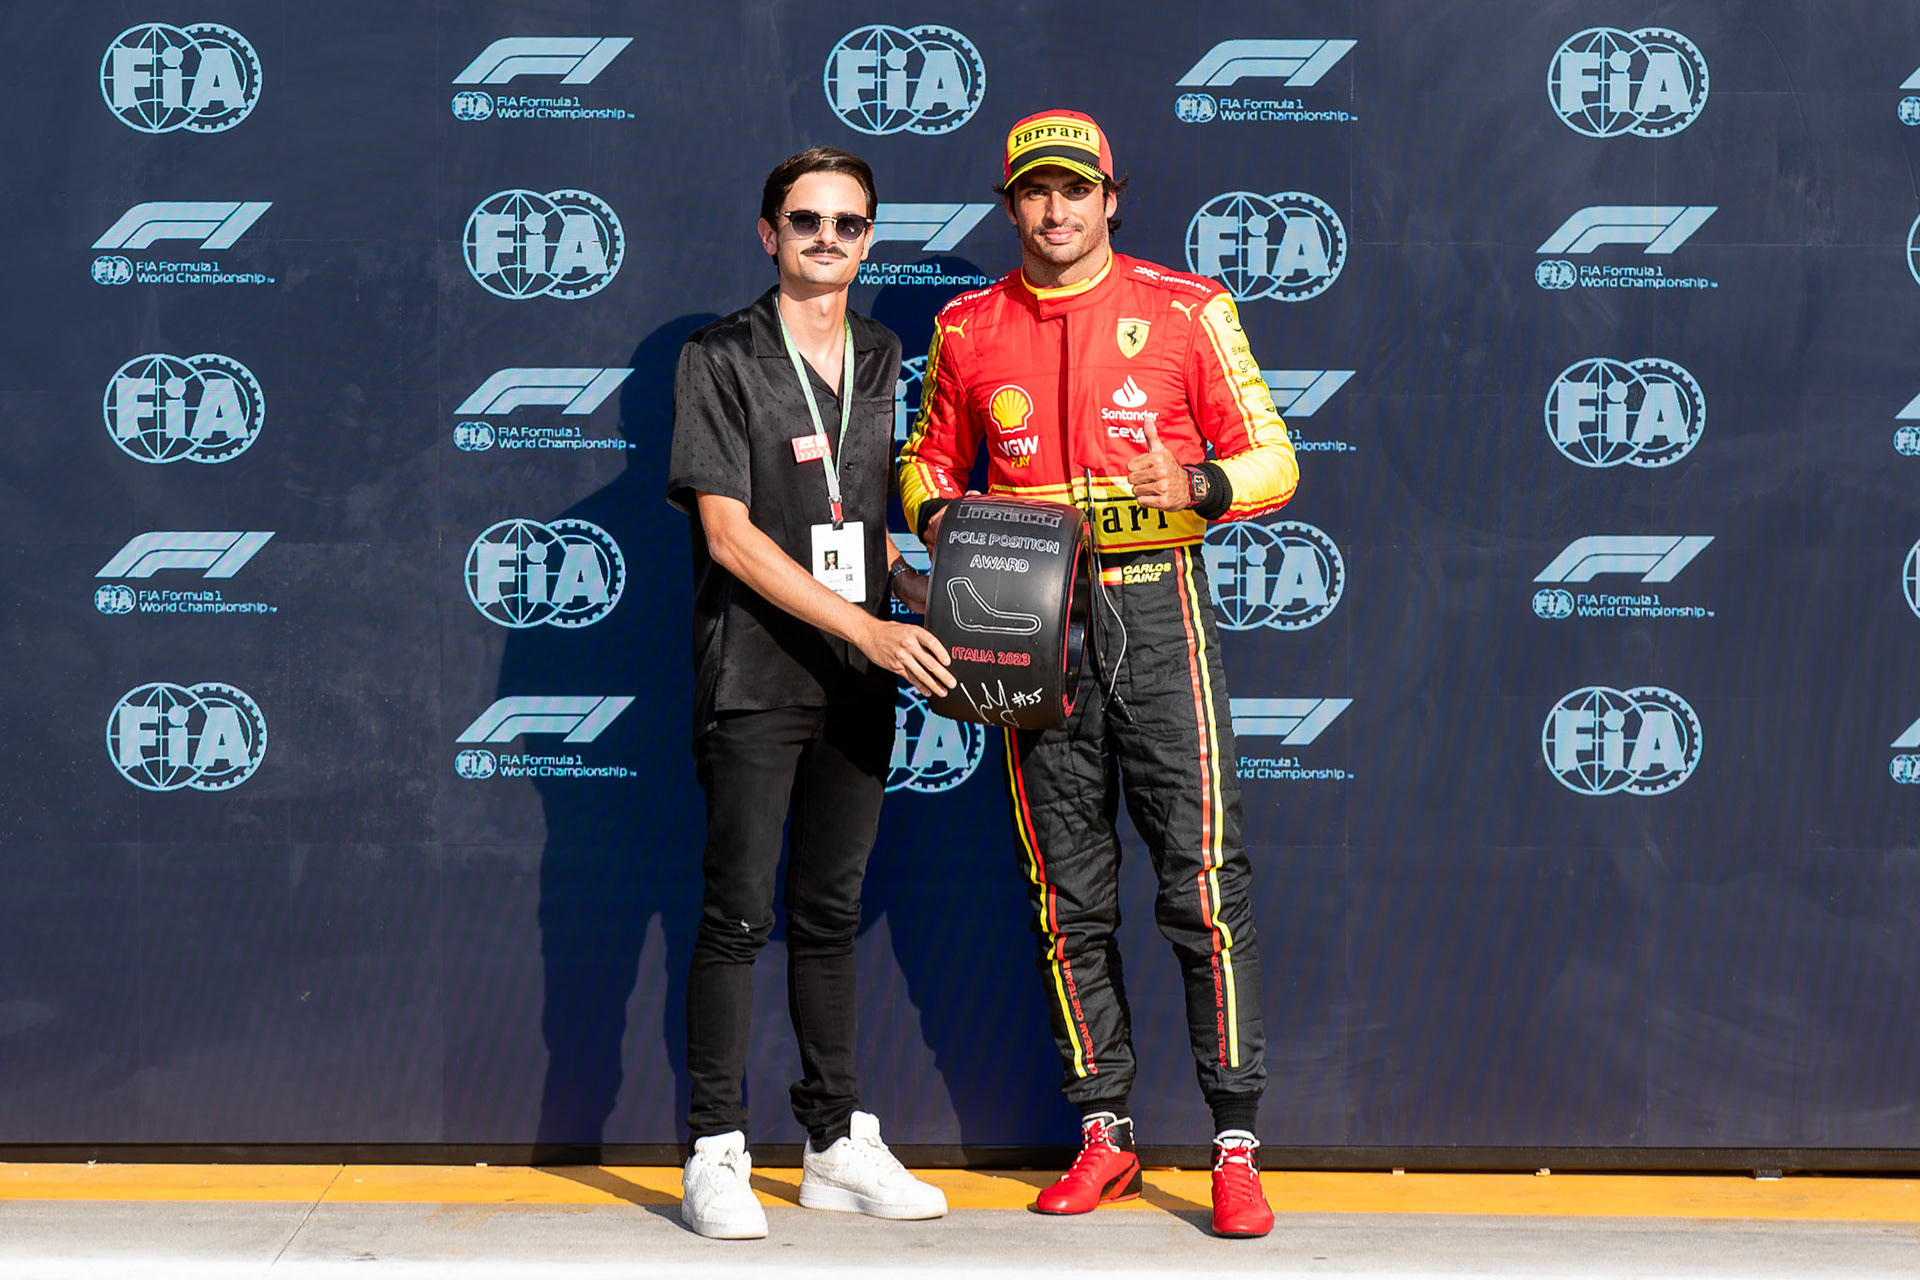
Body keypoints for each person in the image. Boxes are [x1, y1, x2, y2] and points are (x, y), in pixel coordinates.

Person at [897, 110, 1299, 1238]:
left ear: (1112, 198)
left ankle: (1234, 1143)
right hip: (1028, 615)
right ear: (1009, 202)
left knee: (1202, 885)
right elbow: (924, 466)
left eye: (1076, 190)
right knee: (1067, 892)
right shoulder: (969, 326)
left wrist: (1204, 487)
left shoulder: (1186, 309)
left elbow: (1277, 456)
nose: (1056, 210)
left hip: (1158, 603)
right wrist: (961, 521)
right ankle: (1104, 1133)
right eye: (1034, 192)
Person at [667, 146, 955, 1239]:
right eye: (805, 221)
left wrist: (946, 603)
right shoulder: (721, 355)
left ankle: (832, 1142)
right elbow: (731, 537)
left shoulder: (882, 352)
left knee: (829, 914)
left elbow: (870, 521)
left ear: (869, 238)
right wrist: (873, 630)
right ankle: (714, 1148)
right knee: (737, 913)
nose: (825, 238)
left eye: (847, 223)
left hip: (856, 675)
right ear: (767, 233)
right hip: (755, 669)